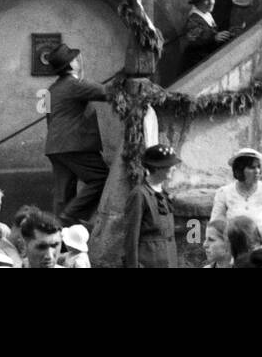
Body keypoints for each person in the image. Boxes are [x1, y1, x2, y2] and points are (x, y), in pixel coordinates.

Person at [43, 41, 109, 228]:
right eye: (75, 58)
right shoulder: (75, 84)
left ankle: (60, 236)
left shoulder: (50, 90)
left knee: (63, 197)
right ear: (71, 64)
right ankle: (69, 217)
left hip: (55, 147)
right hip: (75, 145)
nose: (78, 60)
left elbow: (48, 118)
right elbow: (107, 92)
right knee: (100, 177)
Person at [124, 144, 182, 268]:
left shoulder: (163, 192)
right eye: (170, 166)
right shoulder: (139, 194)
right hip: (148, 261)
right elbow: (131, 237)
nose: (174, 168)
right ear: (157, 168)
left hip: (169, 260)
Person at [211, 148, 262, 247]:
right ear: (240, 170)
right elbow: (215, 225)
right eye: (252, 168)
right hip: (235, 251)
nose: (257, 171)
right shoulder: (224, 193)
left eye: (258, 167)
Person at [177, 0, 234, 76]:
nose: (211, 2)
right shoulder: (194, 19)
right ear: (197, 2)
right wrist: (214, 38)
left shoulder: (206, 14)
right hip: (196, 64)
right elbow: (195, 41)